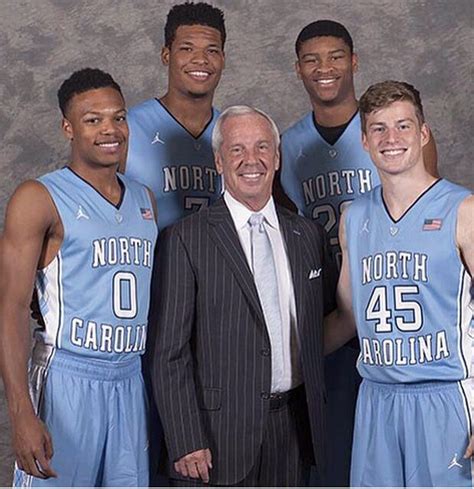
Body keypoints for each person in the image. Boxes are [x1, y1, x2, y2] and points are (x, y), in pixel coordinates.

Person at [278, 20, 439, 486]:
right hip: (336, 307)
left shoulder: (399, 140)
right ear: (297, 68)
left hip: (406, 319)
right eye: (312, 59)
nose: (324, 68)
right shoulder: (288, 146)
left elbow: (427, 219)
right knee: (340, 463)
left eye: (335, 56)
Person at [150, 106, 337, 486]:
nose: (251, 160)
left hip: (294, 430)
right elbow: (169, 353)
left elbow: (329, 321)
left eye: (262, 147)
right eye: (237, 149)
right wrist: (186, 439)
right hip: (215, 437)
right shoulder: (185, 239)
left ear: (277, 157)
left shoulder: (307, 235)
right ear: (219, 161)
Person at [0, 68, 158, 487]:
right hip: (67, 376)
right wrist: (20, 412)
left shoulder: (144, 199)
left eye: (118, 117)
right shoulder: (38, 197)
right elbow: (11, 308)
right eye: (93, 120)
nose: (110, 130)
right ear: (68, 128)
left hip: (129, 377)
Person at [325, 80, 473, 486]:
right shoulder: (354, 217)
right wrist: (277, 361)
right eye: (379, 128)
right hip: (376, 399)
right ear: (365, 141)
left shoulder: (464, 210)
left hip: (445, 395)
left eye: (403, 126)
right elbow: (348, 317)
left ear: (423, 134)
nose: (391, 138)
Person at [123, 1, 226, 231]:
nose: (201, 59)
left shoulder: (232, 132)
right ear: (166, 55)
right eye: (187, 49)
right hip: (152, 254)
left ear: (223, 59)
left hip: (218, 255)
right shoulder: (127, 128)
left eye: (212, 50)